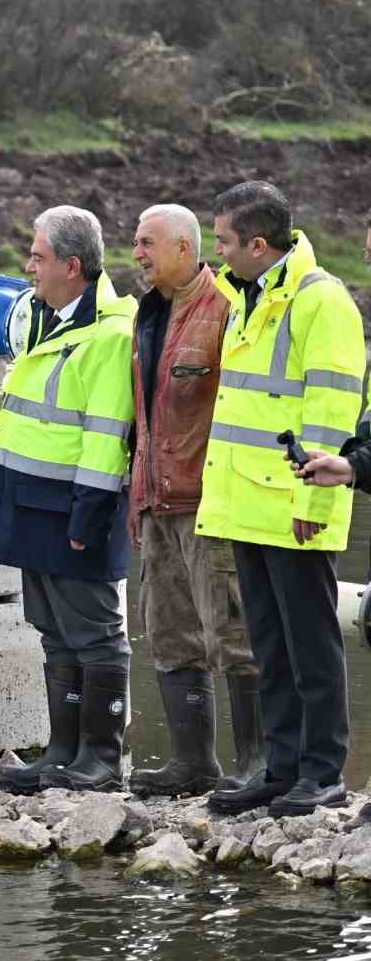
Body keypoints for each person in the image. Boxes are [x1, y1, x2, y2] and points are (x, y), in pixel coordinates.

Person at [198, 181, 365, 817]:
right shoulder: (252, 295)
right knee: (270, 645)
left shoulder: (320, 301)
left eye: (225, 243)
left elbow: (331, 411)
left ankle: (323, 773)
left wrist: (315, 505)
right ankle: (283, 767)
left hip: (295, 507)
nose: (217, 256)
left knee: (312, 646)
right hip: (248, 504)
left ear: (258, 244)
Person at [0, 205, 136, 793]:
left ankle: (102, 759)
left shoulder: (111, 334)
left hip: (73, 509)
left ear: (72, 265)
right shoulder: (51, 320)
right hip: (33, 503)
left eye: (37, 257)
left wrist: (88, 516)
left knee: (94, 633)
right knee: (54, 630)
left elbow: (106, 434)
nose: (28, 266)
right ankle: (61, 755)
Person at [124, 204, 263, 797]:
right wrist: (136, 486)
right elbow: (144, 414)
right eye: (135, 242)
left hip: (209, 502)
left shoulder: (226, 311)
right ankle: (193, 763)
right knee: (169, 630)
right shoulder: (146, 314)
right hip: (157, 499)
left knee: (232, 634)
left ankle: (258, 763)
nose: (137, 253)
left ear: (185, 249)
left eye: (147, 242)